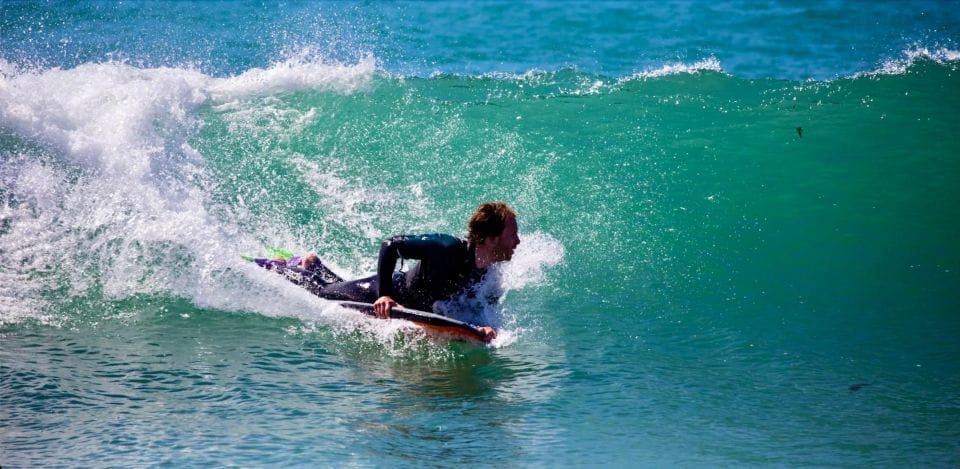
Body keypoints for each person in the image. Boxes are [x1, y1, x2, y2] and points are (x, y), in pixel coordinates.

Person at [280, 202, 520, 341]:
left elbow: (481, 308)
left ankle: (315, 265)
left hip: (411, 303)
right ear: (490, 239)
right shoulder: (446, 248)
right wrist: (384, 295)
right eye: (512, 236)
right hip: (383, 292)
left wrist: (483, 328)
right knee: (322, 292)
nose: (517, 242)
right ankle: (287, 267)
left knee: (339, 287)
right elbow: (391, 245)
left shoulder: (491, 273)